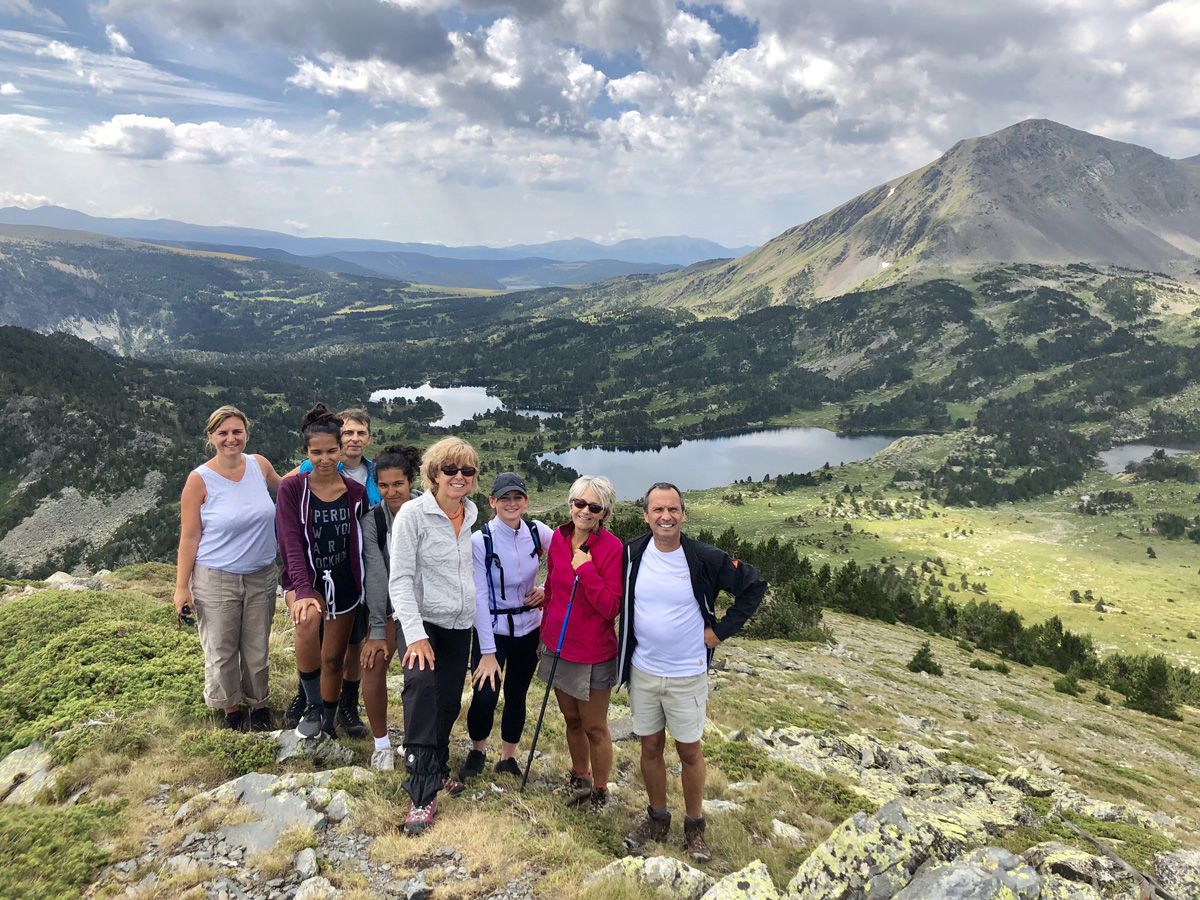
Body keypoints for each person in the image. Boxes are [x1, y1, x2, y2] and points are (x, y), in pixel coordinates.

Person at [618, 482, 767, 862]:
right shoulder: (632, 553)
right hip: (644, 671)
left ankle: (694, 827)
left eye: (672, 510)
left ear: (683, 514)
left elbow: (753, 585)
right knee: (650, 747)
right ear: (646, 515)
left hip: (687, 673)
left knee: (689, 751)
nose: (665, 517)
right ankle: (657, 818)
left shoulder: (704, 557)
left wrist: (719, 632)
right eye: (657, 510)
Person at [388, 436, 480, 835]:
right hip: (421, 625)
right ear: (433, 474)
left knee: (447, 705)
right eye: (450, 469)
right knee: (422, 695)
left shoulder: (471, 515)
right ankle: (421, 795)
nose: (458, 477)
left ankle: (438, 768)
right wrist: (415, 634)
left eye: (467, 471)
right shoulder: (412, 514)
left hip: (459, 626)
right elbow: (401, 579)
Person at [174, 405, 281, 731]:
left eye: (237, 431)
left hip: (262, 574)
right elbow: (190, 536)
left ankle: (259, 704)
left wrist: (317, 466)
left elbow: (288, 490)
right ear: (211, 437)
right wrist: (181, 587)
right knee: (220, 649)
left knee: (257, 647)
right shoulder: (199, 480)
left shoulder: (259, 465)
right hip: (215, 577)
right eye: (223, 433)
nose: (231, 439)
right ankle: (230, 709)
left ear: (246, 433)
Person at [285, 408, 379, 737]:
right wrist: (303, 590)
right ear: (307, 453)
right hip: (306, 579)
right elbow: (291, 543)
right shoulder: (293, 489)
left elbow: (364, 544)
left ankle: (328, 719)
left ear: (340, 450)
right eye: (316, 452)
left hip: (345, 582)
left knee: (334, 659)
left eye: (330, 451)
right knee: (308, 622)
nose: (324, 459)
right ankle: (311, 703)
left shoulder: (356, 493)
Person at [458, 472, 553, 781]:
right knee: (485, 693)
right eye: (504, 498)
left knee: (516, 694)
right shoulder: (480, 540)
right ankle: (478, 750)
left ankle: (508, 758)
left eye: (517, 497)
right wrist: (487, 652)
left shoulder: (538, 532)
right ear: (492, 502)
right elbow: (479, 597)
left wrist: (547, 589)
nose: (511, 503)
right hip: (494, 630)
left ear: (526, 501)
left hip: (529, 629)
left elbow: (565, 558)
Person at [539, 475, 623, 810]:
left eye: (594, 507)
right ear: (570, 504)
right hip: (557, 645)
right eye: (579, 503)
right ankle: (579, 776)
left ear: (605, 512)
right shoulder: (559, 538)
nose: (584, 511)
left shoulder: (612, 548)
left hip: (593, 653)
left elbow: (611, 608)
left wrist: (586, 571)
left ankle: (600, 790)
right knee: (571, 719)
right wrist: (545, 629)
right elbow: (551, 588)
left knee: (594, 727)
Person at [358, 443, 422, 771]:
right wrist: (379, 629)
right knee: (373, 664)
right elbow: (376, 571)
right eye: (383, 485)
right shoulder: (374, 521)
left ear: (411, 482)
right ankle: (382, 744)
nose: (391, 491)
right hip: (387, 607)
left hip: (423, 608)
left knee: (419, 675)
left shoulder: (428, 512)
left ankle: (417, 742)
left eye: (398, 484)